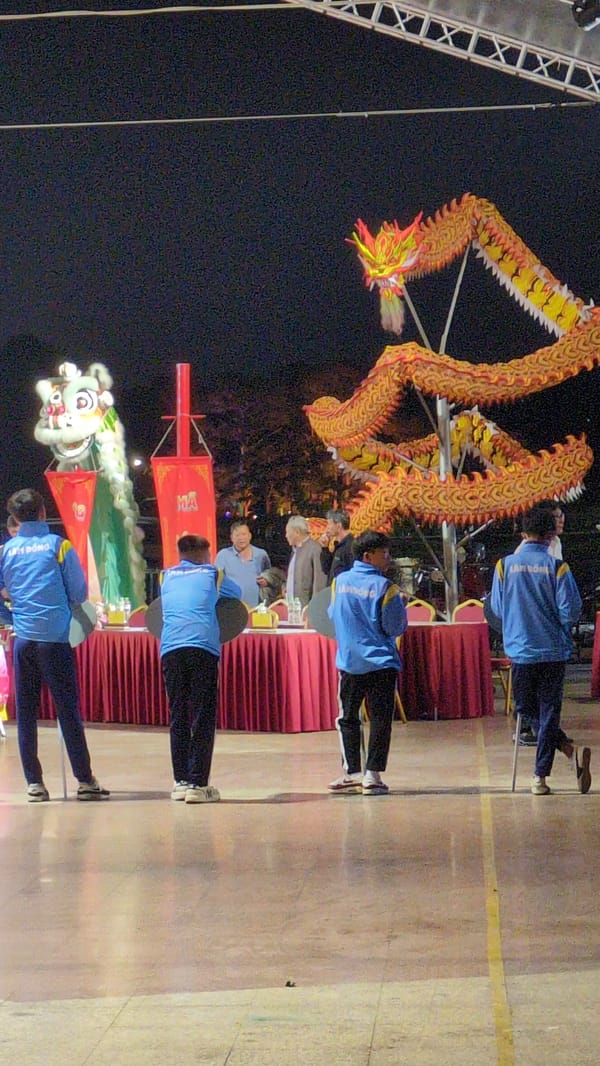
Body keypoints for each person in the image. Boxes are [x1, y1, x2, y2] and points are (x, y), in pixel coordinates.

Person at [0, 488, 109, 802]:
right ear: (43, 512)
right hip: (55, 641)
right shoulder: (59, 546)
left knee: (26, 714)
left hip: (23, 641)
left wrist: (11, 616)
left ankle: (34, 784)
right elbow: (78, 594)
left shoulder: (6, 551)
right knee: (67, 711)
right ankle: (85, 781)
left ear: (15, 517)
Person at [490, 505, 591, 796]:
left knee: (524, 709)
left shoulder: (503, 566)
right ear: (550, 536)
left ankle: (565, 753)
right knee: (549, 712)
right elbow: (570, 611)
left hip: (520, 650)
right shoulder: (558, 568)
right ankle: (542, 775)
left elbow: (497, 609)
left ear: (523, 533)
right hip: (553, 652)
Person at [160, 534, 241, 803]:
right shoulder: (212, 574)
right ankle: (198, 783)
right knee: (203, 715)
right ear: (202, 554)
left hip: (170, 648)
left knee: (178, 714)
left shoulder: (165, 576)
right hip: (202, 647)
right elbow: (236, 594)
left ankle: (180, 781)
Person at [327, 529, 407, 796]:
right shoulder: (386, 588)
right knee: (381, 719)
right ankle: (372, 775)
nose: (388, 558)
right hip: (381, 664)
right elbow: (395, 626)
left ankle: (352, 772)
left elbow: (332, 614)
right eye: (384, 553)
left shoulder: (339, 583)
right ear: (367, 556)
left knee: (348, 718)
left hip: (349, 662)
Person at [214, 520, 270, 607]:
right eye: (237, 535)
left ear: (250, 536)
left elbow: (270, 578)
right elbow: (216, 582)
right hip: (231, 608)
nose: (241, 538)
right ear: (231, 538)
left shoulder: (261, 554)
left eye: (244, 534)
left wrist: (267, 581)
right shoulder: (223, 555)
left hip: (258, 608)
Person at [285, 515, 327, 608]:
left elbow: (319, 583)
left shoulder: (315, 549)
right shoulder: (294, 551)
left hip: (306, 607)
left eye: (287, 532)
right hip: (292, 607)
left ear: (297, 532)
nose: (286, 536)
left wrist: (315, 607)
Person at [318, 509, 354, 584]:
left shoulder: (350, 546)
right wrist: (325, 548)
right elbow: (326, 569)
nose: (327, 528)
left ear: (338, 526)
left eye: (329, 524)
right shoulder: (338, 546)